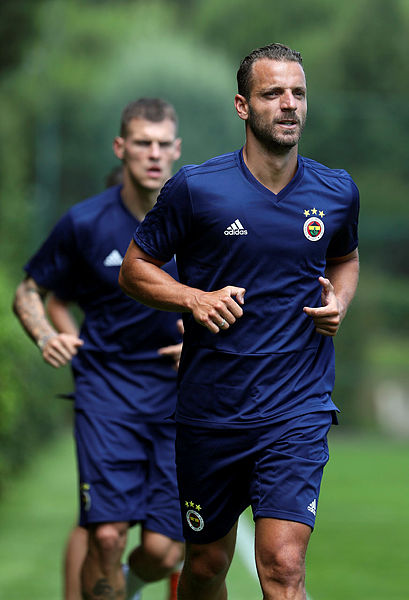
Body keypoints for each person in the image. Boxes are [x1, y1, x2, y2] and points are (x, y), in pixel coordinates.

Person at [118, 43, 360, 600]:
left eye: (298, 93)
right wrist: (193, 299)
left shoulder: (337, 190)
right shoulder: (196, 188)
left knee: (283, 565)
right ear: (242, 106)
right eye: (273, 93)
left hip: (297, 406)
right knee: (205, 566)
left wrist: (340, 303)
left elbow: (345, 258)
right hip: (212, 412)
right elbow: (134, 269)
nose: (289, 104)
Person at [13, 97, 184, 600]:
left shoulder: (202, 221)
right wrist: (47, 335)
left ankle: (122, 588)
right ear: (120, 147)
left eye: (162, 144)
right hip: (105, 392)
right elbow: (30, 292)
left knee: (163, 553)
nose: (153, 154)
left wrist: (202, 340)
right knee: (106, 534)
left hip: (180, 398)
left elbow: (237, 296)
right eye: (142, 143)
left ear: (177, 149)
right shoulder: (84, 222)